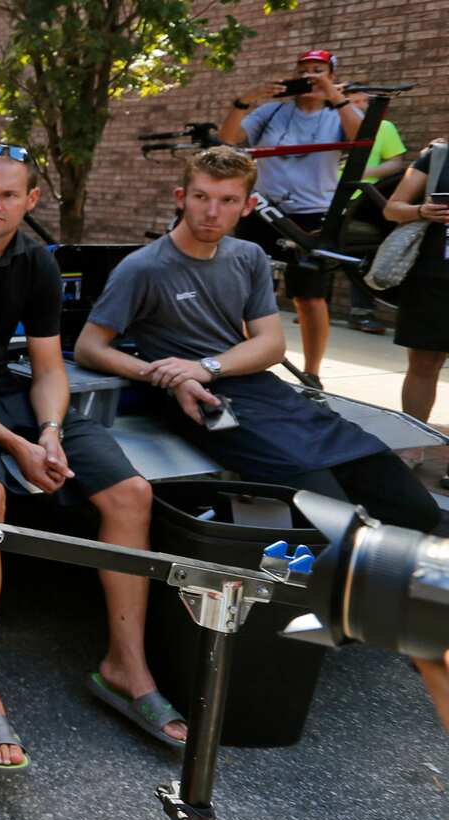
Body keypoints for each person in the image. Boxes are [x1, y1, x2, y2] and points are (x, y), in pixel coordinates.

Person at [0, 143, 186, 771]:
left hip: (11, 396)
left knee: (132, 494)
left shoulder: (37, 261)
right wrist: (15, 446)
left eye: (7, 195)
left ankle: (124, 667)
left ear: (30, 201)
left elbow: (50, 367)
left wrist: (49, 430)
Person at [74, 146, 440, 534]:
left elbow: (270, 345)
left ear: (247, 206)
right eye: (201, 197)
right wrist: (167, 376)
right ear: (181, 198)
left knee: (417, 510)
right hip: (203, 403)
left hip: (260, 389)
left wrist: (205, 367)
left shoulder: (247, 256)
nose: (212, 212)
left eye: (227, 200)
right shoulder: (143, 268)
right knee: (334, 519)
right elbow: (89, 347)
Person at [217, 49, 364, 388]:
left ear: (331, 73)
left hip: (313, 212)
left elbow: (359, 140)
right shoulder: (273, 112)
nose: (310, 76)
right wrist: (245, 100)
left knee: (309, 295)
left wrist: (333, 94)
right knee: (248, 290)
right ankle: (246, 362)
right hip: (264, 210)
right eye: (304, 70)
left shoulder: (339, 112)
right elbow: (228, 139)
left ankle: (312, 372)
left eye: (318, 70)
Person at [382, 138, 449, 484]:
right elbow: (392, 208)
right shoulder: (436, 156)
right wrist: (423, 211)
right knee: (423, 364)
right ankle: (412, 444)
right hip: (433, 277)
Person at [343, 98, 408, 335]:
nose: (357, 104)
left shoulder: (384, 127)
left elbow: (395, 163)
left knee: (362, 254)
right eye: (352, 100)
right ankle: (311, 308)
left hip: (362, 201)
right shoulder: (329, 123)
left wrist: (363, 172)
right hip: (321, 196)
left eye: (361, 100)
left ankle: (362, 312)